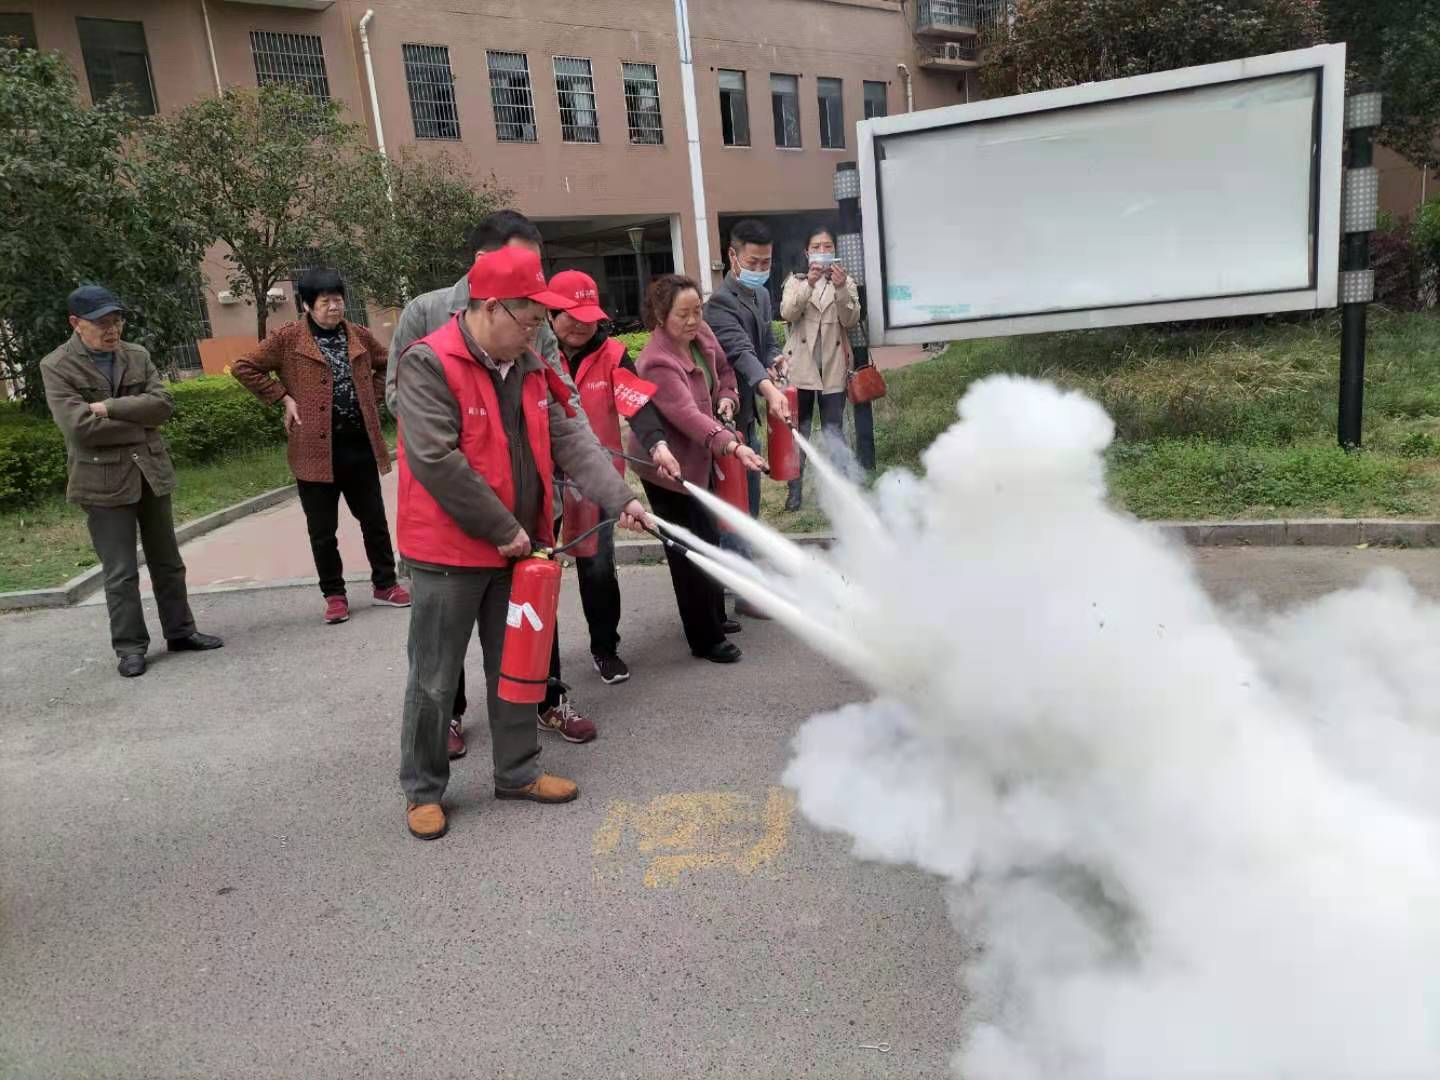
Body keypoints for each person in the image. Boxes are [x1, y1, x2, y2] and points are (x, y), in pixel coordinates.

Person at [395, 246, 650, 840]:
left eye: (541, 321)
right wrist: (504, 529)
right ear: (489, 308)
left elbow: (572, 438)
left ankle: (516, 771)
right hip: (450, 554)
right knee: (434, 677)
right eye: (530, 320)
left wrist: (623, 500)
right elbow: (436, 459)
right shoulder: (427, 362)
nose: (540, 333)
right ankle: (423, 789)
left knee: (517, 665)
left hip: (520, 548)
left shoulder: (530, 363)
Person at [40, 285, 224, 678]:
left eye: (117, 320)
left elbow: (162, 405)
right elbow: (79, 428)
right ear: (76, 324)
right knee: (120, 570)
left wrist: (109, 407)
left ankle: (181, 631)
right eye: (102, 322)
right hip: (101, 480)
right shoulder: (57, 365)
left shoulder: (136, 355)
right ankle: (130, 647)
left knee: (168, 561)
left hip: (150, 472)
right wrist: (140, 425)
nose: (112, 329)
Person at [232, 270, 410, 623]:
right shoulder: (288, 339)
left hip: (358, 445)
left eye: (338, 300)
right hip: (313, 451)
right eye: (325, 301)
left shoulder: (357, 334)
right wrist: (282, 397)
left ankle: (385, 584)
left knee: (374, 520)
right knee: (322, 530)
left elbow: (388, 363)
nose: (334, 307)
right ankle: (334, 595)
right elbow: (244, 367)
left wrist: (370, 397)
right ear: (307, 305)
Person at [547, 269, 683, 684]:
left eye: (588, 316)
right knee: (536, 571)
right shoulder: (531, 355)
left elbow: (638, 406)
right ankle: (542, 667)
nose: (580, 325)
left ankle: (605, 648)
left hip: (596, 482)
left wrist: (658, 445)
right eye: (570, 315)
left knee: (599, 567)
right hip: (542, 482)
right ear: (550, 311)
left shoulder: (612, 355)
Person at [628, 275, 767, 664]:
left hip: (701, 455)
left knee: (706, 533)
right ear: (660, 315)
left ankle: (715, 615)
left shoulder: (702, 334)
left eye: (697, 311)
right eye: (682, 315)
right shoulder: (656, 361)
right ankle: (704, 638)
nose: (693, 321)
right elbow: (687, 416)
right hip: (666, 466)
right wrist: (732, 445)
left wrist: (727, 398)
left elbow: (723, 372)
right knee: (688, 550)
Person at [703, 218, 792, 619]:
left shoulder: (761, 297)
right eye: (753, 262)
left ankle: (739, 572)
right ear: (733, 257)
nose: (760, 269)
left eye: (766, 262)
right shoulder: (718, 305)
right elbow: (740, 353)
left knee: (750, 502)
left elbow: (764, 342)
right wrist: (770, 388)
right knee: (735, 505)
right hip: (725, 417)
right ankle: (742, 586)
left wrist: (776, 358)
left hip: (749, 417)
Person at [779, 227, 861, 511]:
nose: (823, 251)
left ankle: (839, 489)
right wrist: (808, 285)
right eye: (817, 246)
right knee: (799, 430)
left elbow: (851, 320)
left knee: (833, 429)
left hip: (833, 366)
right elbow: (787, 313)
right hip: (801, 366)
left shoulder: (845, 281)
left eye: (828, 246)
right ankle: (795, 489)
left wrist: (839, 289)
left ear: (835, 250)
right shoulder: (796, 281)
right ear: (807, 252)